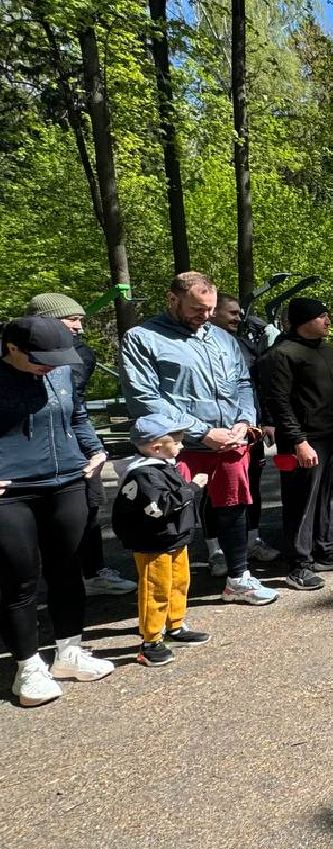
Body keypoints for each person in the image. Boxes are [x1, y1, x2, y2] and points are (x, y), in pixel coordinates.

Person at [120, 271, 277, 605]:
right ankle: (166, 597)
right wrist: (202, 431)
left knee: (234, 507)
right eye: (197, 309)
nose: (205, 316)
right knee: (169, 515)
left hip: (230, 443)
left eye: (210, 309)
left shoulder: (221, 338)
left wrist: (245, 420)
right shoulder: (141, 338)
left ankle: (238, 578)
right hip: (175, 446)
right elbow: (145, 399)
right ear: (172, 299)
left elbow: (243, 384)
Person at [1, 315, 114, 706]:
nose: (50, 365)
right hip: (10, 491)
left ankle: (68, 651)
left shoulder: (61, 372)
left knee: (67, 569)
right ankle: (27, 666)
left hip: (67, 479)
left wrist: (95, 449)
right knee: (19, 579)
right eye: (40, 359)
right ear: (12, 349)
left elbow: (76, 414)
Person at [26, 291, 135, 597]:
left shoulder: (80, 354)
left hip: (73, 446)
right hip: (30, 455)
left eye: (81, 320)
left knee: (89, 505)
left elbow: (76, 407)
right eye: (72, 319)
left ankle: (92, 571)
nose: (79, 327)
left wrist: (93, 447)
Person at [264, 297, 333, 589]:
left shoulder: (328, 351)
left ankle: (327, 549)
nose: (328, 321)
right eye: (322, 316)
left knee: (332, 494)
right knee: (301, 500)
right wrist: (298, 441)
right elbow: (279, 403)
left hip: (332, 435)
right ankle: (299, 563)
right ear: (305, 320)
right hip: (304, 439)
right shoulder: (282, 354)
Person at [111, 413, 211, 667]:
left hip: (174, 537)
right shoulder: (144, 474)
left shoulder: (162, 465)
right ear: (157, 447)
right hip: (153, 542)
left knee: (179, 582)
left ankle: (174, 625)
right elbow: (159, 507)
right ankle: (151, 640)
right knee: (156, 589)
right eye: (176, 442)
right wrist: (193, 487)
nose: (181, 446)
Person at [213, 292, 284, 565]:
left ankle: (253, 540)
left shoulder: (242, 345)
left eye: (239, 312)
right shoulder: (194, 346)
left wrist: (266, 421)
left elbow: (255, 385)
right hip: (216, 431)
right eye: (232, 312)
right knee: (214, 492)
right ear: (213, 312)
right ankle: (216, 551)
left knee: (251, 486)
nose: (239, 317)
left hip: (249, 428)